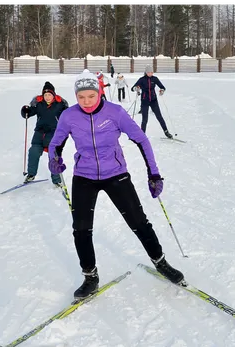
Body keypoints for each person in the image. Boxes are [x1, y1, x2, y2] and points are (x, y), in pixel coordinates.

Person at [47, 69, 184, 300]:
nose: (86, 101)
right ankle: (90, 277)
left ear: (99, 92)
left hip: (115, 173)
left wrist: (154, 174)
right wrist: (54, 160)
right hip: (84, 176)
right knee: (81, 229)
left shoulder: (115, 112)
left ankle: (161, 262)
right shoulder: (69, 116)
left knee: (139, 222)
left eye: (91, 95)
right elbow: (56, 143)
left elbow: (141, 139)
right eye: (81, 97)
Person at [20, 81, 69, 186]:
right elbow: (29, 113)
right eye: (45, 95)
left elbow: (67, 115)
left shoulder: (60, 104)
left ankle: (57, 180)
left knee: (53, 155)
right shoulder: (38, 104)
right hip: (39, 132)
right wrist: (25, 111)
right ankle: (31, 174)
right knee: (33, 151)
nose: (47, 97)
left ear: (53, 95)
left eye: (49, 95)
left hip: (53, 133)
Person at [131, 65, 173, 139]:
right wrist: (136, 88)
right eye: (149, 72)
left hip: (153, 101)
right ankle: (142, 135)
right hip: (144, 101)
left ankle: (166, 132)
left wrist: (162, 90)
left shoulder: (155, 79)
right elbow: (133, 88)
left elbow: (162, 87)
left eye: (152, 72)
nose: (151, 73)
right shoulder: (142, 79)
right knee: (145, 119)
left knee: (159, 117)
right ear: (146, 72)